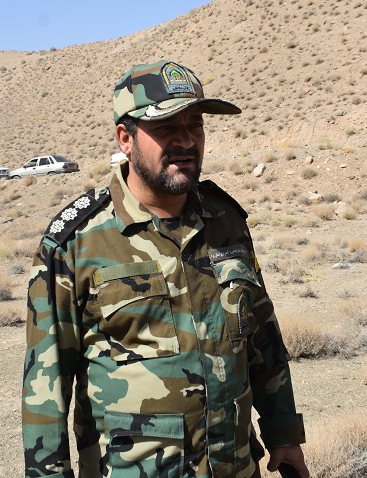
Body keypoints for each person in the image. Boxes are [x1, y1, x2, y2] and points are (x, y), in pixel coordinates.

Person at [22, 60, 309, 478]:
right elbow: (45, 387)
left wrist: (284, 433)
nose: (186, 141)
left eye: (195, 125)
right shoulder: (76, 244)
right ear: (125, 138)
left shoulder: (226, 221)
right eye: (166, 127)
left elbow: (262, 336)